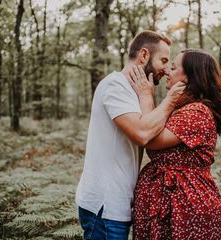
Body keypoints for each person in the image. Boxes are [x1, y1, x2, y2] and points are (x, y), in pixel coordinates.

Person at [75, 30, 185, 240]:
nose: (165, 68)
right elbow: (143, 133)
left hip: (118, 204)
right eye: (163, 60)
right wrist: (170, 101)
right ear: (144, 56)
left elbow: (148, 126)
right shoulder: (115, 85)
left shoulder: (136, 91)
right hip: (105, 206)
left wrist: (147, 97)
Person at [130, 49, 221, 240]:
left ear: (190, 76)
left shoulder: (197, 112)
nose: (168, 71)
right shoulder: (182, 108)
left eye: (174, 67)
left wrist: (146, 96)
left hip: (186, 207)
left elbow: (151, 139)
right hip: (169, 202)